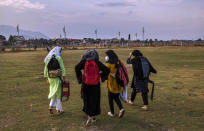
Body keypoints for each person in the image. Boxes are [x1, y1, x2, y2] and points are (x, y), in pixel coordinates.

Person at [75, 49, 109, 126]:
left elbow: (76, 67)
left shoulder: (84, 61)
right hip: (95, 85)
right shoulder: (97, 62)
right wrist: (101, 76)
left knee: (86, 100)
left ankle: (89, 116)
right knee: (94, 100)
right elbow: (107, 70)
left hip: (86, 84)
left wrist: (80, 79)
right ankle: (93, 117)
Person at [44, 46, 66, 114]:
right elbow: (62, 67)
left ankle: (51, 106)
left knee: (53, 91)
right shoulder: (59, 58)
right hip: (57, 78)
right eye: (60, 51)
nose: (60, 52)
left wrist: (46, 77)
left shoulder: (48, 58)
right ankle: (59, 109)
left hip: (51, 77)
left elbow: (45, 69)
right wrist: (64, 76)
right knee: (58, 93)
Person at [105, 50, 125, 118]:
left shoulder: (109, 64)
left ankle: (112, 112)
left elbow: (105, 71)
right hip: (119, 83)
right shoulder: (118, 61)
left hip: (112, 84)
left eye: (107, 55)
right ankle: (121, 108)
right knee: (116, 97)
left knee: (110, 98)